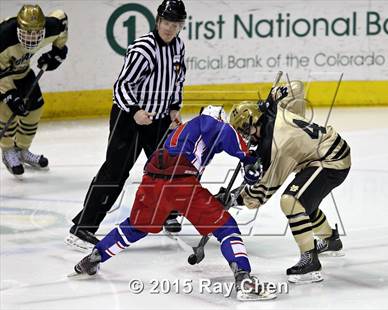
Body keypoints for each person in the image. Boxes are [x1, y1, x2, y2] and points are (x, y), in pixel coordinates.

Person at [71, 106, 275, 301]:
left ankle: (94, 258)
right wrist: (249, 160)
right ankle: (244, 280)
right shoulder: (212, 122)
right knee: (226, 228)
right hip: (180, 183)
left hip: (152, 179)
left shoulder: (184, 133)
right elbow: (228, 137)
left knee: (135, 226)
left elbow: (183, 177)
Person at [66, 0, 188, 251]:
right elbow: (122, 86)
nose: (169, 28)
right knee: (115, 172)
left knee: (168, 167)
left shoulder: (178, 46)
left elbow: (178, 79)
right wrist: (135, 111)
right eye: (166, 22)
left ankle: (167, 212)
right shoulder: (143, 48)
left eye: (175, 24)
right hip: (128, 118)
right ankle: (82, 229)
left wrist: (174, 107)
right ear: (158, 21)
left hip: (159, 119)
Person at [228, 82, 351, 284]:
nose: (245, 137)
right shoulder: (274, 111)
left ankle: (310, 260)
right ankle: (330, 240)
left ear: (253, 123)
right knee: (304, 202)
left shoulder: (275, 147)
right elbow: (297, 87)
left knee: (291, 201)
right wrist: (275, 95)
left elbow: (261, 194)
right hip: (323, 153)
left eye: (244, 131)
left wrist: (235, 198)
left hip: (331, 160)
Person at [0, 5, 68, 176]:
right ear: (18, 28)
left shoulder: (51, 27)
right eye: (27, 32)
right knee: (7, 111)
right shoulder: (3, 38)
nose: (31, 37)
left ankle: (22, 150)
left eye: (36, 32)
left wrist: (59, 51)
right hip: (3, 77)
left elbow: (62, 18)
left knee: (35, 109)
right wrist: (8, 94)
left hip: (23, 72)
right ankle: (8, 150)